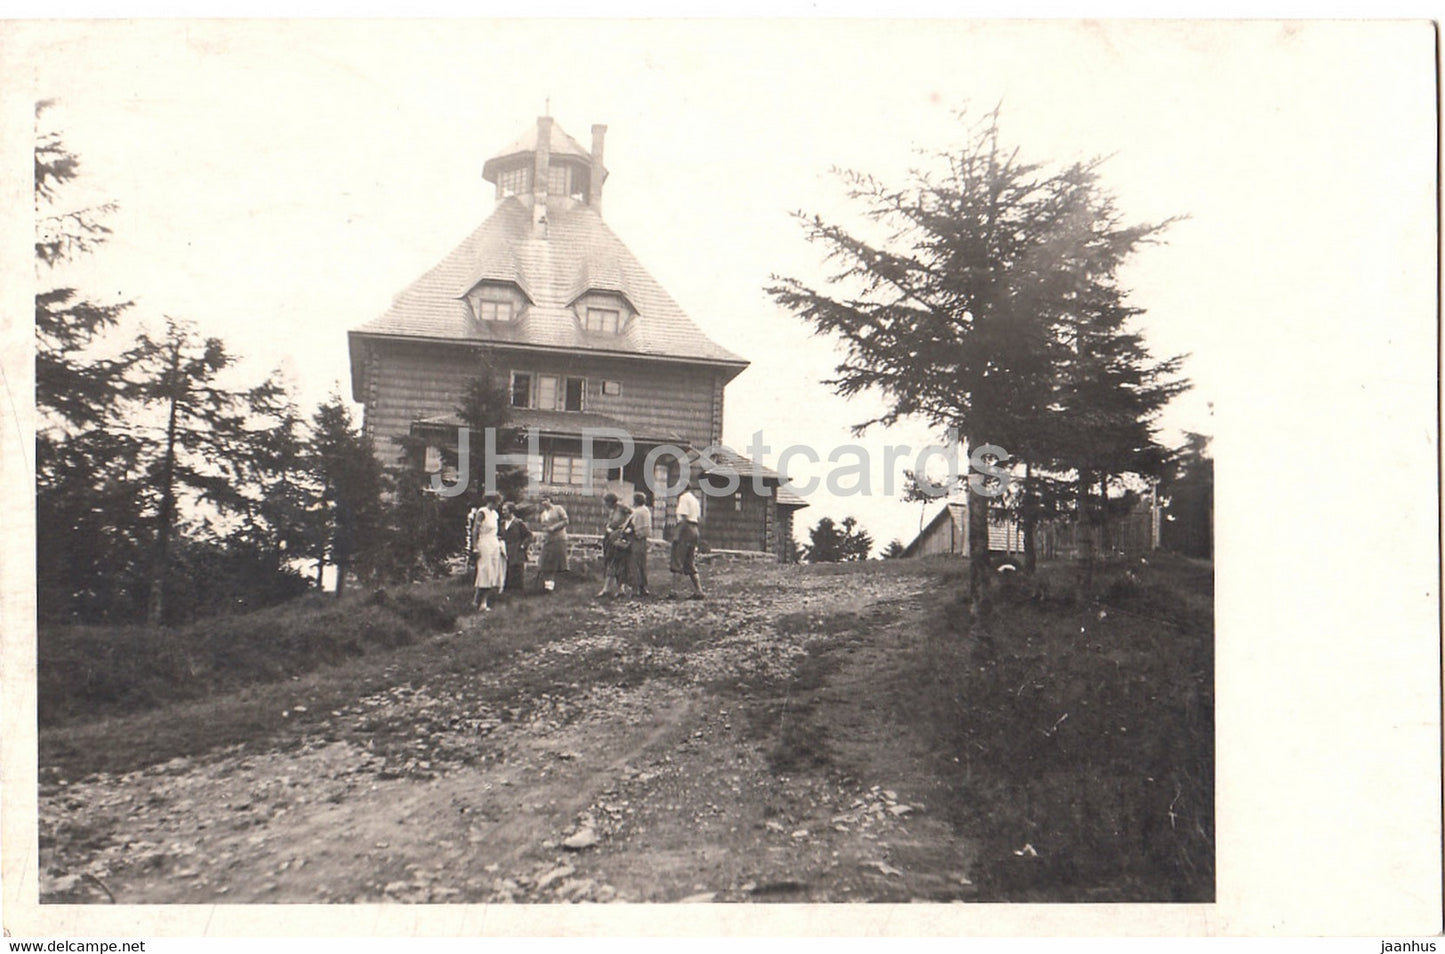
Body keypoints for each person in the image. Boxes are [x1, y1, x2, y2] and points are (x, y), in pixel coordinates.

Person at [668, 477, 705, 600]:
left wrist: (677, 535)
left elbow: (683, 518)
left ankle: (674, 591)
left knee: (677, 559)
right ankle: (699, 590)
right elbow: (698, 518)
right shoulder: (694, 499)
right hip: (694, 529)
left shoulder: (684, 498)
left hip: (685, 529)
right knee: (689, 561)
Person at [470, 493, 506, 611]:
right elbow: (475, 531)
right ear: (492, 501)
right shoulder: (482, 512)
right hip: (484, 543)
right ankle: (476, 601)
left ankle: (484, 602)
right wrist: (475, 547)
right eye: (497, 502)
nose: (498, 505)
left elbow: (496, 531)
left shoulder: (495, 514)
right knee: (485, 571)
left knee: (494, 572)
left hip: (494, 543)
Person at [597, 492, 633, 598]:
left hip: (619, 538)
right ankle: (607, 589)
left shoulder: (622, 508)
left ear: (611, 501)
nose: (605, 504)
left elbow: (632, 515)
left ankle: (619, 589)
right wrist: (608, 527)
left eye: (606, 502)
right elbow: (611, 522)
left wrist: (624, 526)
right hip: (610, 538)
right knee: (610, 562)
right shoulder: (612, 510)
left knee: (619, 563)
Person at [535, 493, 569, 593]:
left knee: (554, 562)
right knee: (545, 561)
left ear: (550, 500)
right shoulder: (543, 514)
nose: (544, 502)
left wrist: (554, 527)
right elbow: (544, 527)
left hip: (559, 538)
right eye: (542, 501)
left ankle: (554, 586)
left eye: (546, 500)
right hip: (548, 540)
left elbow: (566, 521)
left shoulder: (558, 509)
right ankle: (547, 586)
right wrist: (544, 535)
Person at [499, 501, 533, 595]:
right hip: (505, 550)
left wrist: (523, 545)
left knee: (516, 572)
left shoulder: (518, 523)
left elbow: (529, 535)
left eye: (505, 510)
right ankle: (506, 592)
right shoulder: (502, 523)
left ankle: (518, 593)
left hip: (516, 551)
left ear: (511, 511)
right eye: (502, 510)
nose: (503, 512)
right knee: (506, 571)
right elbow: (499, 535)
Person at [626, 491, 652, 598]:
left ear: (635, 501)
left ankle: (635, 588)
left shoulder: (636, 512)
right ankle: (644, 587)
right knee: (642, 564)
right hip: (644, 539)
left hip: (636, 538)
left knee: (634, 564)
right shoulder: (646, 511)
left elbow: (632, 525)